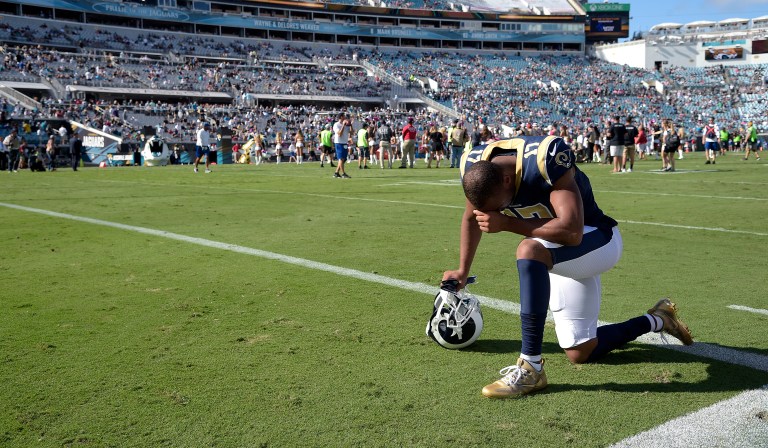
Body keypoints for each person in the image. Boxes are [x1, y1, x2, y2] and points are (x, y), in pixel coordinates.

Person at [442, 135, 693, 398]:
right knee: (580, 351)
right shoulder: (475, 165)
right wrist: (462, 269)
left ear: (507, 180)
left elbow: (573, 232)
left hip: (598, 239)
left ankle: (531, 367)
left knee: (529, 249)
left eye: (498, 208)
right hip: (558, 251)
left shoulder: (544, 161)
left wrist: (507, 223)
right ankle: (658, 319)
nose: (495, 213)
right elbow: (471, 217)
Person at [332, 112, 351, 178]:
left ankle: (336, 172)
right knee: (341, 158)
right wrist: (343, 125)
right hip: (339, 143)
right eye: (344, 116)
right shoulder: (336, 125)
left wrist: (350, 125)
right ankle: (343, 173)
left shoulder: (346, 124)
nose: (345, 117)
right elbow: (339, 134)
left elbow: (352, 132)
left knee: (344, 159)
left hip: (345, 143)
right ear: (341, 117)